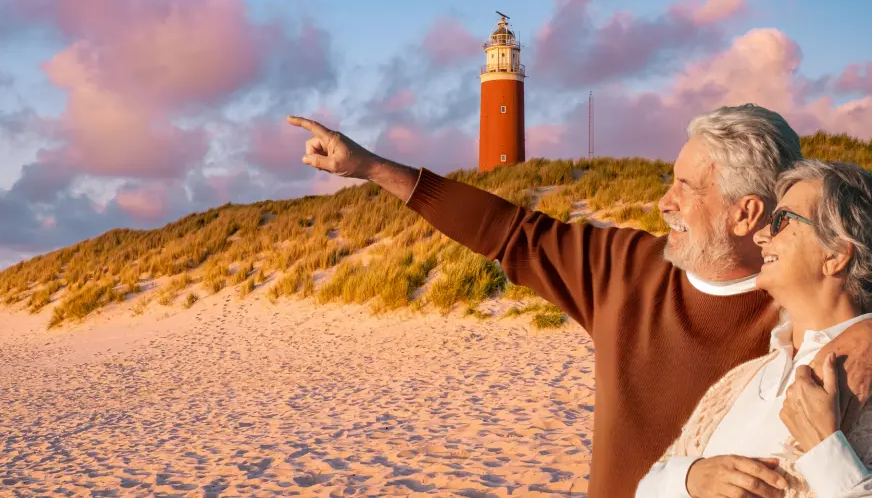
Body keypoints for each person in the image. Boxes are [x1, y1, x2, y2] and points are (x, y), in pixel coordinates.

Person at [286, 104, 872, 498]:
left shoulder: (806, 316)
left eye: (684, 187)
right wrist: (368, 167)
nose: (662, 202)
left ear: (746, 212)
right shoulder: (625, 269)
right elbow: (506, 231)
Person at [636, 160, 872, 498]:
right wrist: (689, 478)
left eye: (781, 221)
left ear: (835, 254)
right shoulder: (741, 379)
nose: (761, 235)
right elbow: (646, 487)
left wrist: (827, 453)